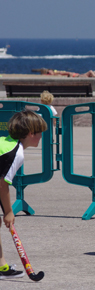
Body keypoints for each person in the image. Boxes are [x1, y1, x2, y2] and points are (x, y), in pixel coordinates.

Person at [0, 110, 47, 279]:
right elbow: (2, 185)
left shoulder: (8, 143)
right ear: (30, 133)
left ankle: (2, 267)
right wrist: (8, 212)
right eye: (39, 132)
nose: (42, 136)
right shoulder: (15, 152)